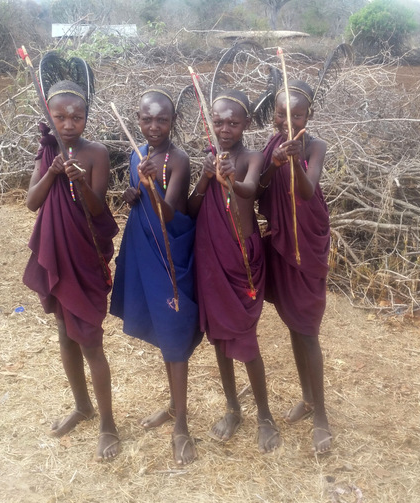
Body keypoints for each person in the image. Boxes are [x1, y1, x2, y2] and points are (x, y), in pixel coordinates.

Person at [23, 77, 120, 461]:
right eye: (60, 117)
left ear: (85, 118)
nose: (67, 124)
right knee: (65, 334)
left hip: (84, 256)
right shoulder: (47, 152)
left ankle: (108, 424)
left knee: (91, 342)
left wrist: (79, 182)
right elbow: (32, 202)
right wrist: (52, 172)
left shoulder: (97, 153)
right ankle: (82, 406)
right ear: (51, 115)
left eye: (76, 117)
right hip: (56, 255)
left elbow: (98, 211)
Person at [110, 87, 200, 465]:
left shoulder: (177, 160)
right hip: (143, 247)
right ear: (138, 119)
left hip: (170, 253)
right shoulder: (137, 154)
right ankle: (173, 407)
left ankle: (182, 426)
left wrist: (150, 186)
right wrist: (134, 194)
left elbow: (168, 213)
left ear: (173, 121)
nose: (153, 126)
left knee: (176, 331)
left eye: (162, 119)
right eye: (146, 119)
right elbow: (143, 204)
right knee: (164, 331)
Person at [188, 89, 281, 453]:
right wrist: (207, 178)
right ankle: (232, 407)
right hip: (212, 258)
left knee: (246, 340)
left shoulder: (253, 157)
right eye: (219, 121)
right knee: (220, 339)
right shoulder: (211, 159)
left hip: (242, 260)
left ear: (245, 124)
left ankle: (265, 416)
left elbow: (249, 190)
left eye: (234, 122)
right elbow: (193, 208)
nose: (225, 128)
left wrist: (229, 179)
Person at [257, 79, 332, 454]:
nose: (288, 122)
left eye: (297, 115)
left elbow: (306, 190)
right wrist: (273, 163)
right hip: (282, 244)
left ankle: (321, 417)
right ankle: (306, 397)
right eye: (280, 114)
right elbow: (259, 189)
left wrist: (294, 162)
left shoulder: (315, 146)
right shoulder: (271, 146)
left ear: (309, 115)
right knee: (293, 322)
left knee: (308, 329)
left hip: (307, 245)